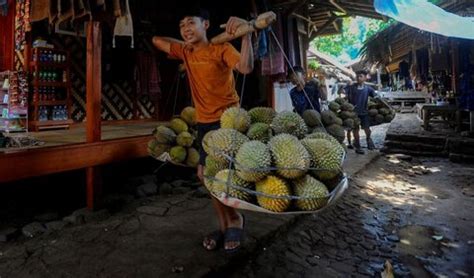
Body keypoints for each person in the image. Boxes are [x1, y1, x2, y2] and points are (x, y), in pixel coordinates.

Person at [152, 7, 253, 252]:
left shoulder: (221, 48)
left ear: (206, 25)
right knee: (205, 177)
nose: (186, 28)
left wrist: (246, 33)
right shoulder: (186, 53)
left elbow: (246, 68)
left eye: (191, 23)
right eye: (181, 25)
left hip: (228, 121)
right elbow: (157, 41)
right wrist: (185, 44)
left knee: (222, 177)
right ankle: (223, 226)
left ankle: (235, 221)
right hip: (204, 122)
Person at [344, 70, 376, 154]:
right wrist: (347, 85)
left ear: (365, 78)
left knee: (367, 129)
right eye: (357, 76)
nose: (358, 78)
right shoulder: (351, 87)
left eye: (361, 76)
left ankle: (369, 140)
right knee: (356, 130)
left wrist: (378, 98)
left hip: (364, 112)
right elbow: (342, 92)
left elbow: (375, 96)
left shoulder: (368, 89)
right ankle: (357, 146)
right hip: (354, 113)